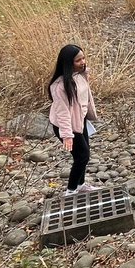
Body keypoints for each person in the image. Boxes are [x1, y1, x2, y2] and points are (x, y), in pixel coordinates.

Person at [48, 44, 100, 195]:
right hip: (66, 125)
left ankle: (81, 185)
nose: (83, 62)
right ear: (68, 62)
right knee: (82, 156)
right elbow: (62, 112)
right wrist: (67, 135)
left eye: (83, 58)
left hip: (79, 120)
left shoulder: (79, 75)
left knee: (84, 153)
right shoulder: (59, 86)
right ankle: (71, 191)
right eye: (78, 60)